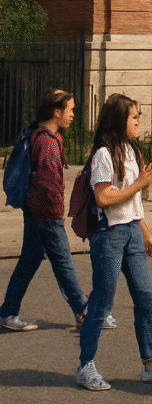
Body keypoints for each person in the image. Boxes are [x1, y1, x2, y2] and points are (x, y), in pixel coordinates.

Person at [76, 94, 152, 391]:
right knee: (102, 303)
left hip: (132, 231)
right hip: (109, 235)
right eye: (133, 117)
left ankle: (151, 364)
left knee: (146, 296)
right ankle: (86, 365)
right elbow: (103, 197)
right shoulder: (103, 155)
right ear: (118, 120)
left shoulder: (131, 151)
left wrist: (145, 231)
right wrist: (140, 184)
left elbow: (133, 199)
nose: (138, 122)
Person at [0, 89, 116, 333]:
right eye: (70, 109)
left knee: (29, 261)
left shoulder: (37, 136)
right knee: (63, 262)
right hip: (46, 214)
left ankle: (8, 312)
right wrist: (54, 213)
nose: (73, 114)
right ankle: (84, 311)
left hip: (36, 212)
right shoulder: (46, 142)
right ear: (56, 112)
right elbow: (47, 183)